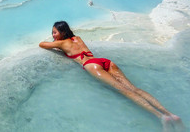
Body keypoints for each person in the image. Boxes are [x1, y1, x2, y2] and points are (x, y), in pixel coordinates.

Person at [39, 21, 183, 131]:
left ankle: (161, 117)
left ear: (62, 33)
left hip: (92, 65)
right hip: (105, 61)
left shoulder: (61, 42)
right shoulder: (78, 38)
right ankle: (171, 114)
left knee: (125, 91)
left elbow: (42, 44)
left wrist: (55, 42)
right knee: (134, 88)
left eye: (55, 32)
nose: (53, 35)